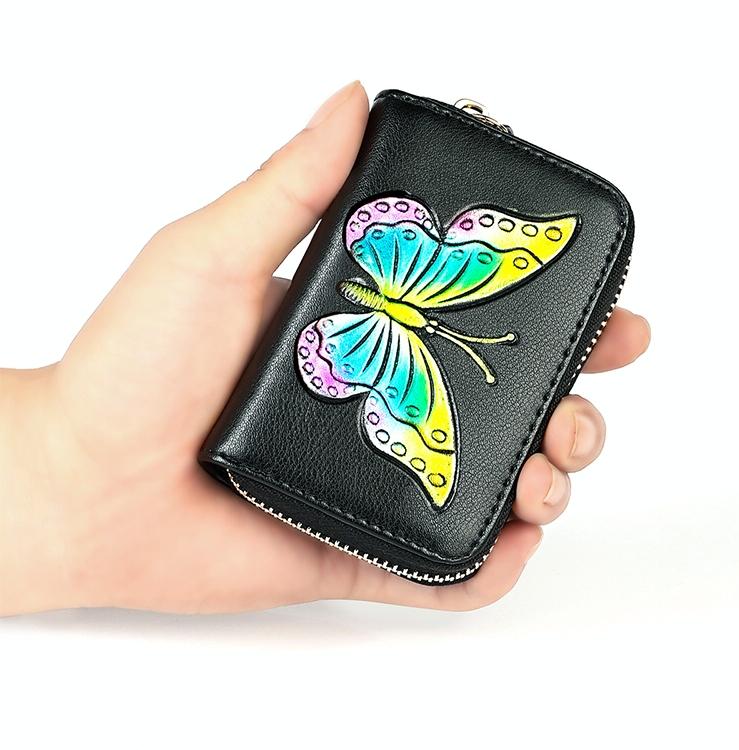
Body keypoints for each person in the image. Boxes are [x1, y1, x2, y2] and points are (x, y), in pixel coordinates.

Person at [0, 82, 650, 616]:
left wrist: (71, 485)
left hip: (393, 269)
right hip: (382, 304)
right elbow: (550, 237)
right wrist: (70, 476)